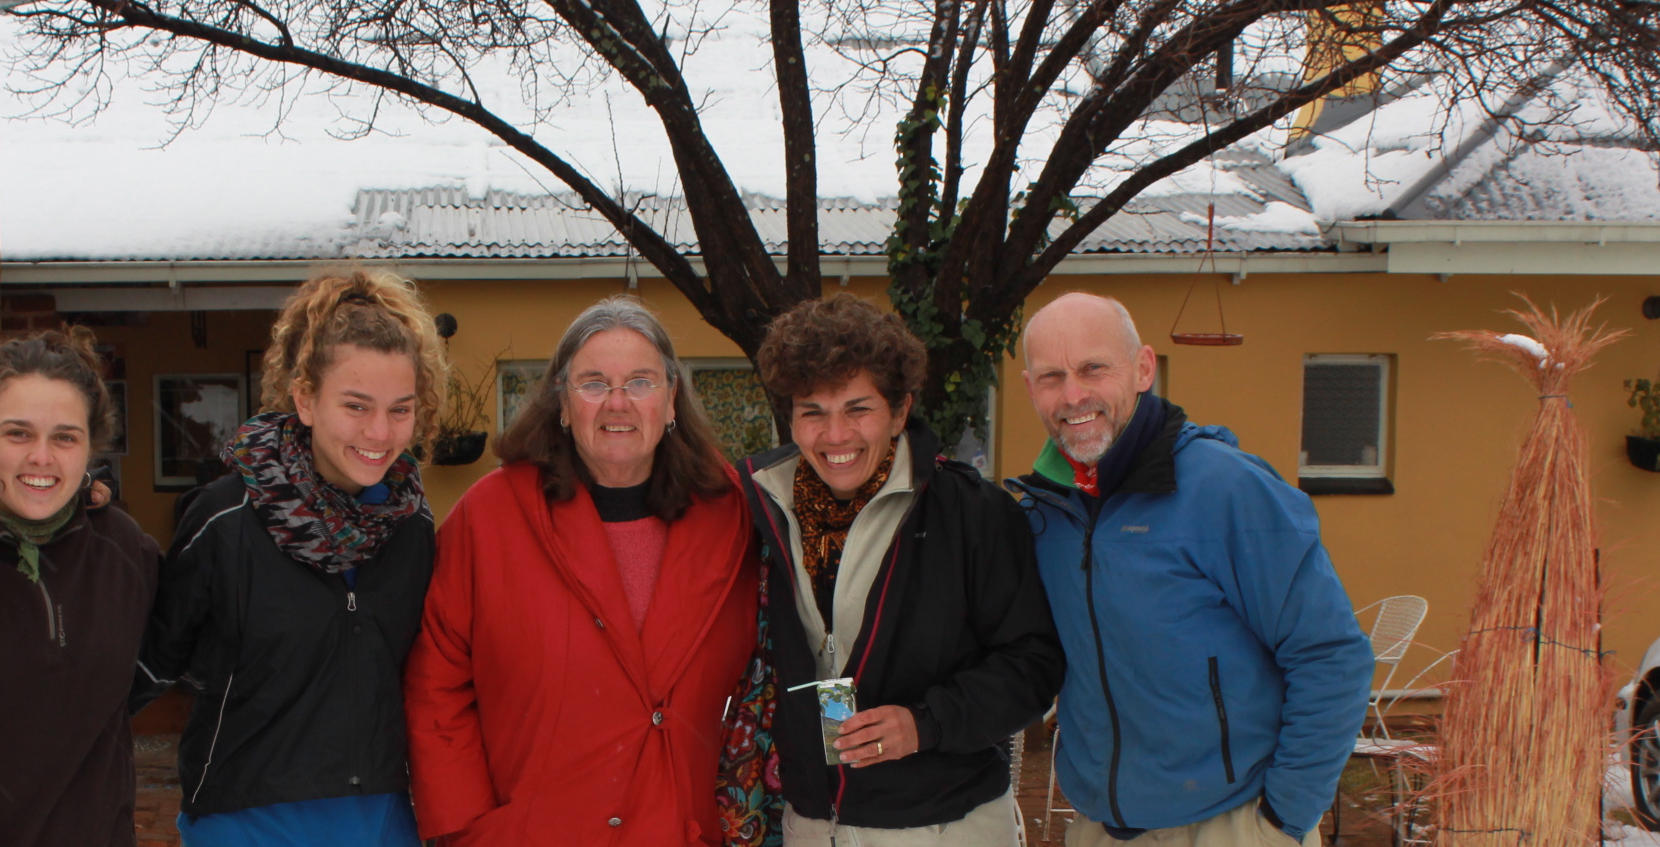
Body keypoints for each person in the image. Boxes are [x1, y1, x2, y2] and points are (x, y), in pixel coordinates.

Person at [1009, 293, 1373, 847]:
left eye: (1093, 368)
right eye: (1051, 377)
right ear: (1030, 388)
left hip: (1231, 824)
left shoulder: (1226, 489)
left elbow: (1331, 655)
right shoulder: (1045, 513)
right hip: (1100, 828)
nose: (1073, 395)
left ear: (1143, 369)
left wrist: (1283, 820)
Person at [406, 295, 758, 847]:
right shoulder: (489, 517)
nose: (618, 403)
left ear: (671, 401)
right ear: (563, 406)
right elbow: (437, 682)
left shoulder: (734, 515)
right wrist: (472, 828)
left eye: (640, 382)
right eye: (593, 384)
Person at [736, 293, 1064, 846]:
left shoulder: (973, 514)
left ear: (900, 411)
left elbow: (1034, 665)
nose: (835, 435)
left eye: (858, 409)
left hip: (945, 826)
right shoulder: (757, 506)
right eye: (813, 411)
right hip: (811, 825)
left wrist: (926, 723)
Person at [147, 269, 446, 847]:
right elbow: (148, 665)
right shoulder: (225, 518)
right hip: (246, 820)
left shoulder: (411, 525)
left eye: (400, 410)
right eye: (356, 406)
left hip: (381, 820)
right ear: (305, 399)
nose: (379, 432)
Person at [0, 329, 163, 846]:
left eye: (65, 437)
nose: (42, 457)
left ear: (90, 446)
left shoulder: (123, 550)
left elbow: (151, 670)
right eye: (18, 434)